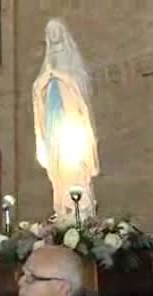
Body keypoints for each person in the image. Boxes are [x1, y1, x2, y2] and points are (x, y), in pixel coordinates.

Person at [33, 19, 100, 223]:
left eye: (55, 30)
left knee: (75, 162)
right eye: (48, 31)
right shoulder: (49, 58)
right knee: (57, 163)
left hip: (70, 114)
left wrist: (61, 77)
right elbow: (37, 87)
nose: (52, 34)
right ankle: (62, 207)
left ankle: (81, 209)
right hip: (53, 115)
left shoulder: (69, 56)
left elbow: (81, 82)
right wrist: (45, 80)